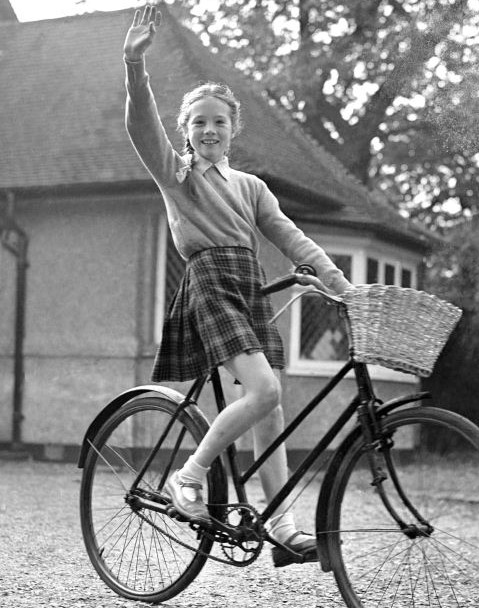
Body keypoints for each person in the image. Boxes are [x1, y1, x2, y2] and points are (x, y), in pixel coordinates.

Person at [123, 4, 352, 568]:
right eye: (198, 122)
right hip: (209, 284)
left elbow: (288, 234)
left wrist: (333, 277)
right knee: (265, 391)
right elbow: (141, 127)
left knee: (269, 407)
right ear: (185, 130)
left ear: (233, 130)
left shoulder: (251, 186)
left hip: (248, 287)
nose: (209, 130)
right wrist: (134, 65)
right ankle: (188, 476)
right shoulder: (177, 175)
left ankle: (283, 527)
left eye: (219, 122)